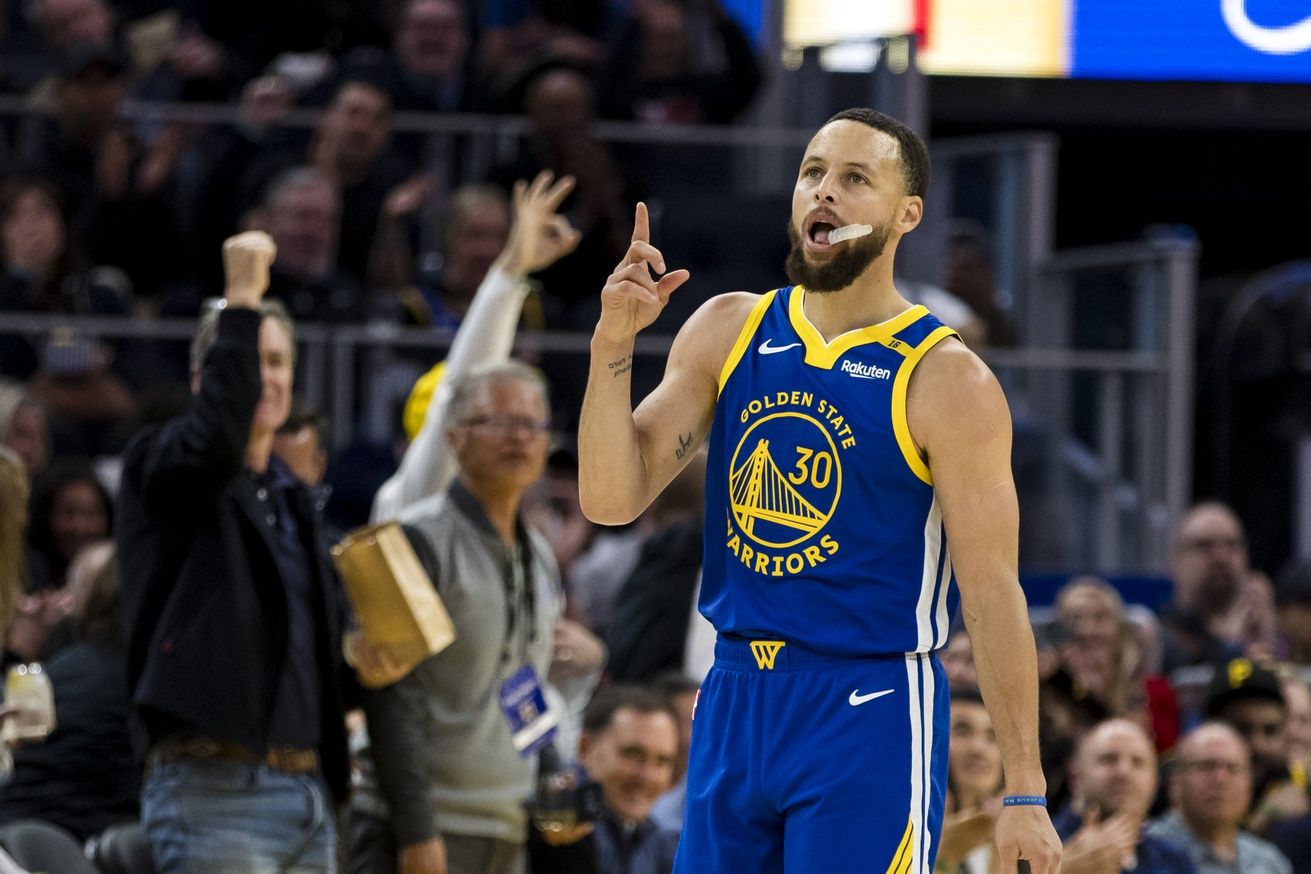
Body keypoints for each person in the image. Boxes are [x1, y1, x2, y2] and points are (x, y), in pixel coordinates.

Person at [577, 106, 1060, 873]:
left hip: (867, 704)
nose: (822, 194)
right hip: (733, 693)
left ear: (907, 216)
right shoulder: (728, 327)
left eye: (853, 179)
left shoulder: (946, 378)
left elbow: (993, 593)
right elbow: (609, 499)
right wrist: (613, 342)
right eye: (811, 173)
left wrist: (1024, 794)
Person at [116, 231, 364, 872]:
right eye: (252, 357)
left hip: (308, 792)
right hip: (213, 791)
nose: (268, 377)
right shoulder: (165, 464)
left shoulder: (292, 497)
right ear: (206, 375)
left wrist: (363, 660)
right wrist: (243, 297)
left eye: (279, 361)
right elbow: (215, 439)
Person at [349, 360, 602, 874]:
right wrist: (417, 833)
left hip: (504, 824)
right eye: (499, 421)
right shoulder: (415, 539)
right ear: (453, 437)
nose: (520, 438)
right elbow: (393, 696)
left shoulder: (537, 553)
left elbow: (521, 684)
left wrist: (553, 771)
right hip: (421, 830)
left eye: (533, 424)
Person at [527, 684, 681, 874]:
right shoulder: (551, 821)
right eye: (633, 754)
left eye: (662, 761)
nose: (647, 776)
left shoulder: (661, 840)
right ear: (585, 748)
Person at [1145, 722, 1292, 873]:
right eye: (1207, 766)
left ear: (1249, 785)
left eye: (1232, 768)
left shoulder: (1269, 861)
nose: (1220, 779)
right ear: (1176, 783)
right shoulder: (1145, 852)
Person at [1053, 718, 1193, 874]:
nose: (1124, 772)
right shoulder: (1042, 846)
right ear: (1075, 777)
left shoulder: (1174, 860)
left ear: (1155, 783)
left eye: (1137, 762)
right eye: (1109, 759)